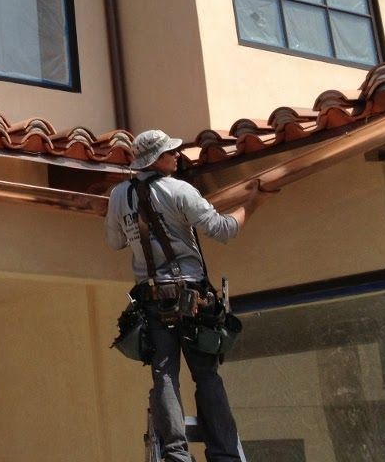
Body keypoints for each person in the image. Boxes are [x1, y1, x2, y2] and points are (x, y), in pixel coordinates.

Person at [105, 129, 273, 462]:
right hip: (190, 297)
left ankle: (175, 455)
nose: (177, 157)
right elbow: (224, 230)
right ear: (156, 159)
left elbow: (115, 242)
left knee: (164, 374)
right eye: (170, 153)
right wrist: (253, 203)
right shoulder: (180, 190)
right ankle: (224, 454)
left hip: (151, 299)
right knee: (206, 374)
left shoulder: (118, 196)